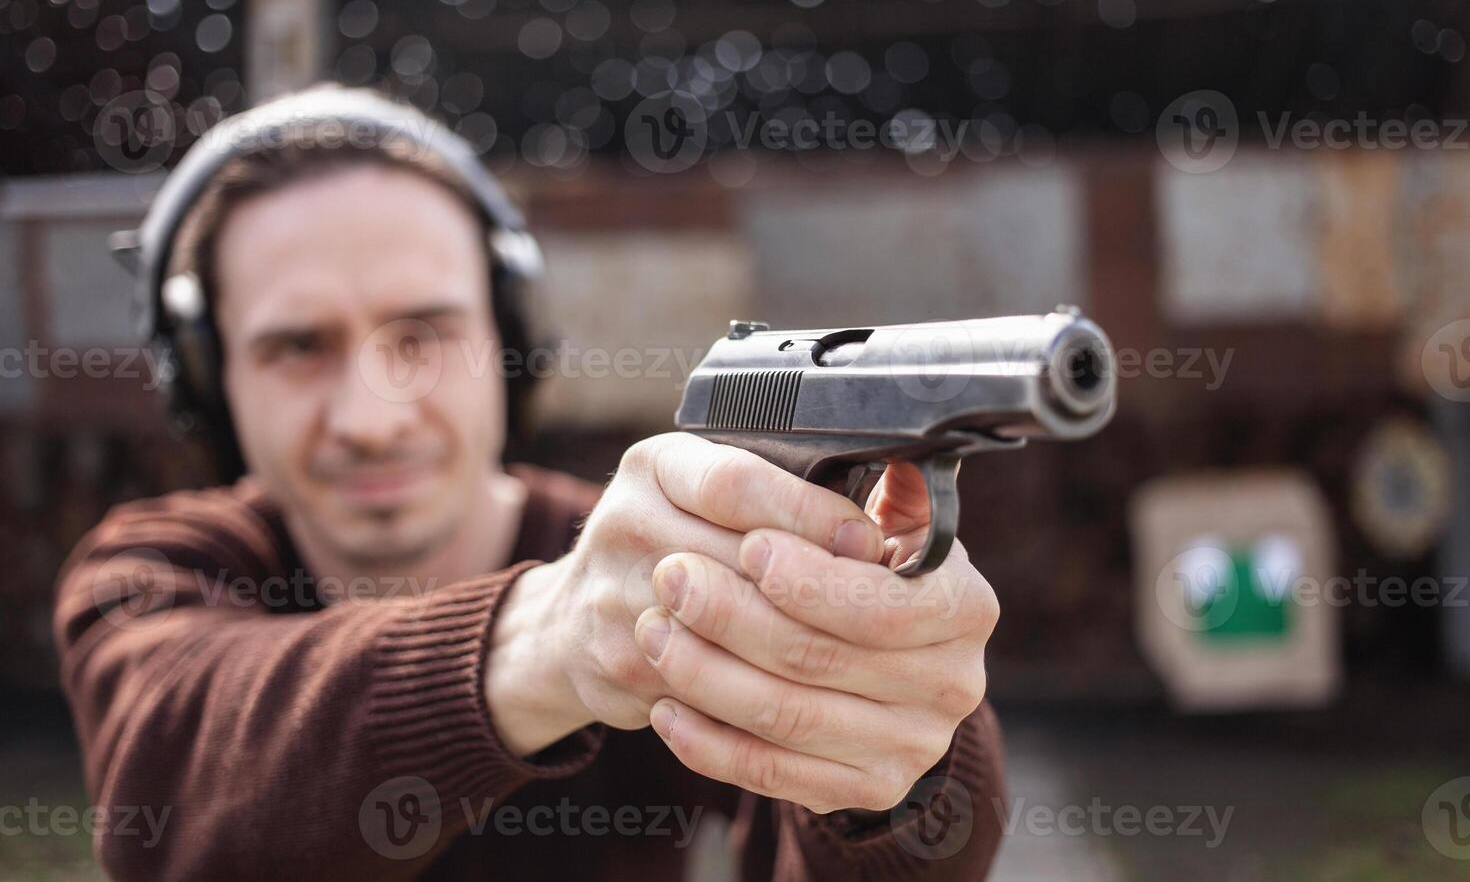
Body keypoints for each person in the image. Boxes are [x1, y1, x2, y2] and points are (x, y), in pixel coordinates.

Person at [53, 86, 1007, 880]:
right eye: (297, 348)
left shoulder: (653, 571)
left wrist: (900, 768)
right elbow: (176, 797)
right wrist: (555, 639)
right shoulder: (150, 572)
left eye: (423, 334)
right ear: (211, 381)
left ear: (507, 343)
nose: (373, 416)